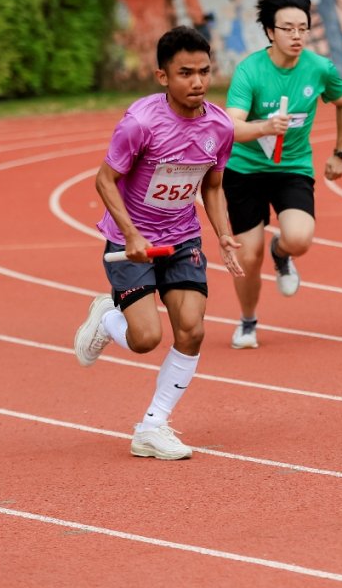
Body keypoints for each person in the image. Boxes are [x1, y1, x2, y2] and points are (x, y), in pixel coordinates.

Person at [73, 26, 244, 460]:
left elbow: (212, 186)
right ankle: (107, 320)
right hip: (130, 242)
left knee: (193, 328)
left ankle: (152, 426)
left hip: (183, 238)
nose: (198, 82)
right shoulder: (141, 124)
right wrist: (131, 233)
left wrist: (223, 234)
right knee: (146, 338)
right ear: (163, 76)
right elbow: (104, 180)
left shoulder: (220, 127)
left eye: (204, 71)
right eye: (185, 73)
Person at [223, 0, 342, 349]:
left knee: (299, 238)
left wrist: (339, 153)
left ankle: (280, 254)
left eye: (303, 28)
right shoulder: (250, 71)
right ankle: (248, 321)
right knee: (247, 255)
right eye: (288, 29)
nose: (297, 36)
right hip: (245, 170)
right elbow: (231, 127)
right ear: (270, 31)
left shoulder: (319, 69)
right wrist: (263, 127)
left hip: (292, 167)